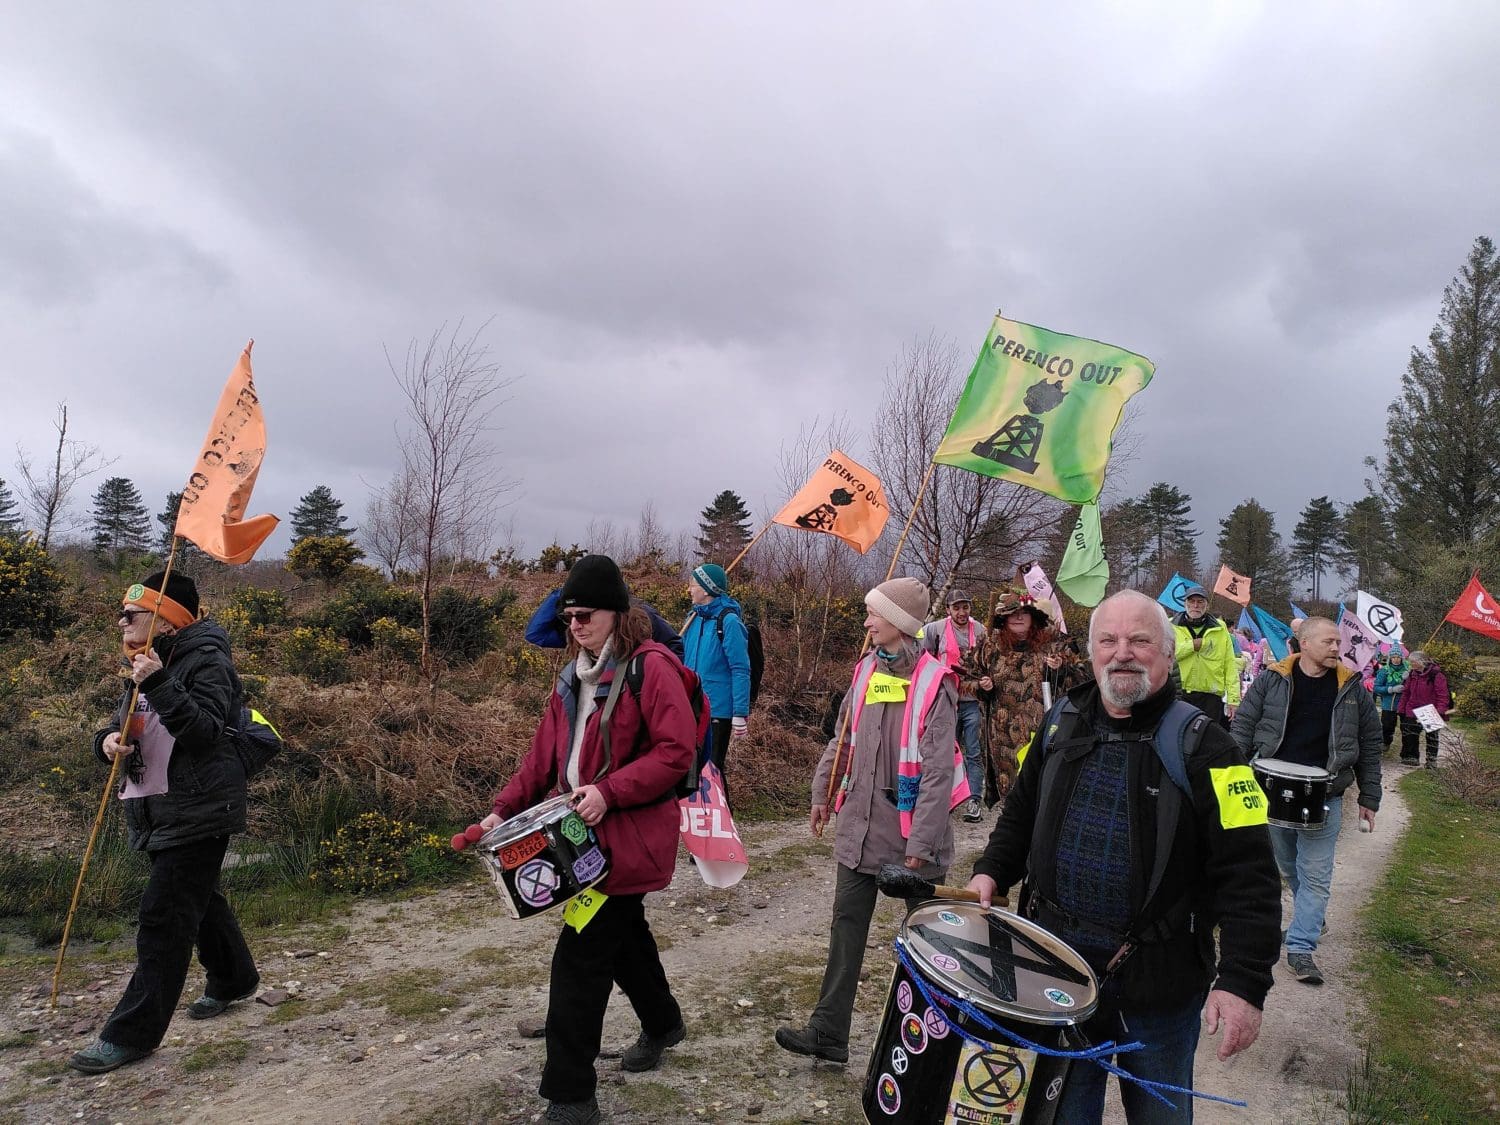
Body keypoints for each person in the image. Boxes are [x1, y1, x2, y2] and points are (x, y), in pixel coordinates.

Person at [966, 590, 1280, 1124]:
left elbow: (1250, 873)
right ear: (1091, 653)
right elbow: (1020, 812)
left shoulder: (1212, 748)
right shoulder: (1062, 721)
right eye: (1107, 640)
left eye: (1139, 640)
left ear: (1167, 652)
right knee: (1059, 1116)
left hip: (1161, 985)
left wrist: (1243, 982)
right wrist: (990, 871)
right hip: (1054, 974)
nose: (1122, 652)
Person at [482, 555, 694, 1125]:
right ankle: (663, 1022)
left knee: (580, 955)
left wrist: (611, 791)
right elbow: (542, 758)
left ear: (617, 613)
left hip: (628, 838)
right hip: (578, 838)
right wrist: (500, 812)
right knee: (621, 938)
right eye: (568, 615)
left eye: (585, 615)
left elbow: (677, 753)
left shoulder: (652, 668)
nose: (575, 624)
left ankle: (571, 1095)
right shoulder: (572, 677)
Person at [69, 572, 260, 1075]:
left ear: (166, 618)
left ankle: (131, 1034)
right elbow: (127, 722)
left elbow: (203, 732)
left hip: (201, 807)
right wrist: (106, 742)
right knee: (201, 901)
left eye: (131, 613)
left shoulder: (208, 658)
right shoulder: (142, 663)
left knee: (164, 916)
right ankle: (234, 978)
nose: (120, 621)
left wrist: (156, 679)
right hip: (156, 804)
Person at [776, 577, 960, 1065]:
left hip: (912, 841)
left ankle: (933, 1045)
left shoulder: (934, 683)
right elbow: (844, 739)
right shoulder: (863, 672)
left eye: (874, 614)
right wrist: (822, 792)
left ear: (899, 623)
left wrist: (920, 844)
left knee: (927, 944)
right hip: (858, 828)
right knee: (845, 926)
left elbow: (940, 772)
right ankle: (828, 1031)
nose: (866, 622)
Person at [1232, 617, 1382, 986]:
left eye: (1338, 642)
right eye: (1329, 642)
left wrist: (1370, 796)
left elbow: (1371, 744)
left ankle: (1301, 946)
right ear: (1305, 643)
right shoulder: (1272, 679)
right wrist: (1232, 777)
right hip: (1272, 790)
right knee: (1288, 866)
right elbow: (1243, 728)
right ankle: (1311, 917)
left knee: (1315, 874)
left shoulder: (1352, 688)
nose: (1336, 648)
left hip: (1325, 794)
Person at [959, 588, 1085, 799]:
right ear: (1003, 618)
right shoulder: (989, 644)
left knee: (1042, 792)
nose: (1018, 617)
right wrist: (982, 686)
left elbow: (1083, 679)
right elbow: (966, 677)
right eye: (1011, 613)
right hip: (1003, 740)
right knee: (1012, 800)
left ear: (1032, 616)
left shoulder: (1055, 643)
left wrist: (1061, 669)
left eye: (1023, 613)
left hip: (1044, 732)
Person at [681, 562, 752, 799]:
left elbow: (741, 668)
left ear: (706, 589)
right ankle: (697, 826)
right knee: (688, 770)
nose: (689, 589)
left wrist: (739, 712)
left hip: (717, 711)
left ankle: (722, 824)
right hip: (690, 706)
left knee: (712, 770)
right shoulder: (693, 618)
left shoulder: (729, 621)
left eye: (693, 584)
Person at [920, 589, 987, 821]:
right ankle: (943, 800)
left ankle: (974, 801)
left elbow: (990, 660)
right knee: (943, 752)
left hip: (972, 702)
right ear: (948, 610)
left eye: (965, 607)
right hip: (945, 700)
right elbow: (921, 655)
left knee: (973, 752)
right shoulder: (934, 630)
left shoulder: (979, 630)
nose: (961, 612)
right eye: (956, 608)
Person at [1171, 583, 1240, 726]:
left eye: (1200, 601)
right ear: (1185, 603)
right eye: (1192, 601)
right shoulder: (1171, 626)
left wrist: (1234, 699)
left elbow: (1230, 664)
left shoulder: (1220, 628)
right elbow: (1165, 656)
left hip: (1211, 697)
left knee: (1208, 742)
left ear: (1207, 605)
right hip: (1180, 694)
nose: (1195, 605)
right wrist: (1192, 646)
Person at [1396, 650, 1450, 768]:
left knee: (1432, 737)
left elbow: (1443, 695)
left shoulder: (1436, 675)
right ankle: (1411, 757)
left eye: (1413, 662)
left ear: (1421, 661)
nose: (1411, 664)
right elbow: (1406, 692)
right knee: (1410, 734)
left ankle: (1431, 760)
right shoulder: (1412, 674)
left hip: (1430, 710)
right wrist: (1401, 708)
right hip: (1412, 708)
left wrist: (1440, 710)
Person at [1372, 649, 1408, 750]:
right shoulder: (1384, 670)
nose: (1396, 660)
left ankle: (1406, 749)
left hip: (1404, 703)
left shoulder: (1407, 670)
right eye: (1393, 657)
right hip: (1388, 704)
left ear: (1402, 658)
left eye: (1398, 657)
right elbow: (1377, 687)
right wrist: (1391, 689)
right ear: (1390, 658)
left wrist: (1408, 679)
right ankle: (1385, 742)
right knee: (1387, 726)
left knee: (1406, 727)